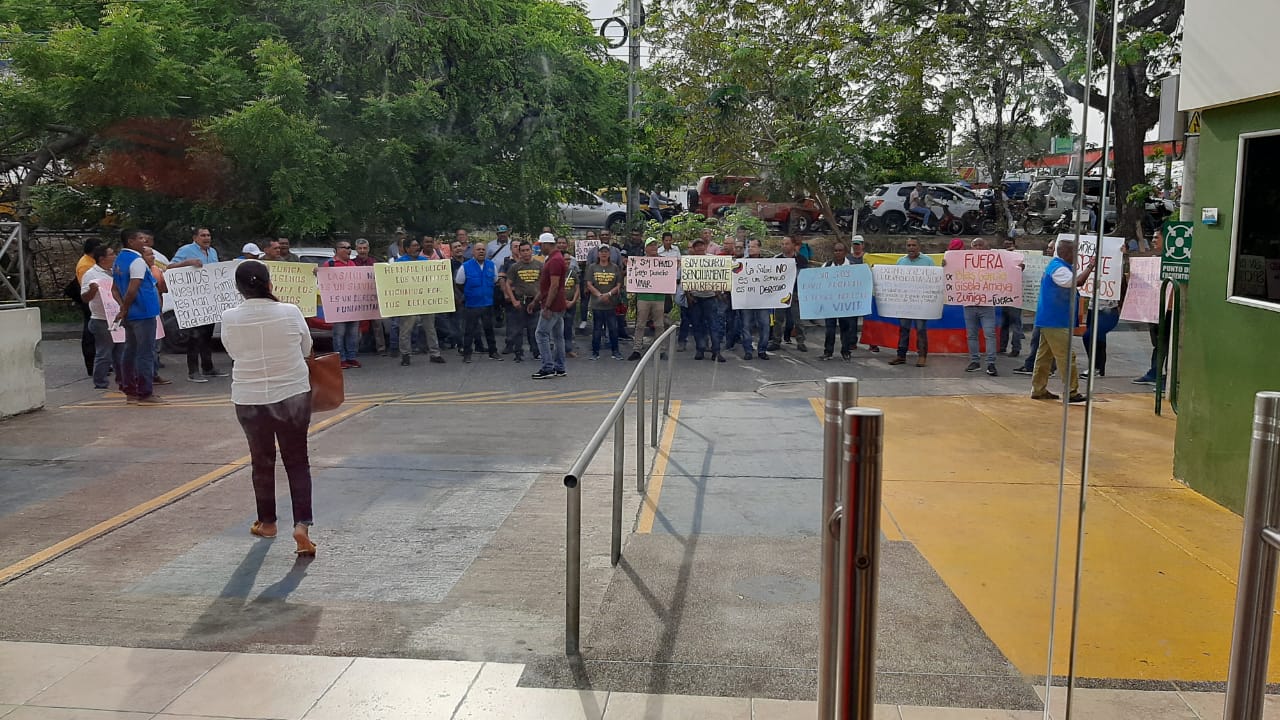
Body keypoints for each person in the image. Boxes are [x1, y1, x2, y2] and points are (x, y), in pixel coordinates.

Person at [220, 261, 316, 556]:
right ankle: (302, 525)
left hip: (249, 396)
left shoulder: (229, 317)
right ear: (269, 284)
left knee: (261, 461)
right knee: (297, 460)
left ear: (238, 289)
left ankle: (268, 522)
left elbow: (233, 352)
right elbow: (306, 347)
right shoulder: (290, 311)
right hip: (292, 393)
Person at [1030, 239, 1093, 403]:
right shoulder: (1059, 269)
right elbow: (1077, 282)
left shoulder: (1057, 266)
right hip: (1055, 320)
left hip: (1050, 318)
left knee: (1044, 356)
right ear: (1065, 253)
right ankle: (1071, 392)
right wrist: (1090, 267)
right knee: (1066, 356)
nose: (1077, 256)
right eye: (1074, 252)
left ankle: (1038, 389)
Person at [111, 229, 165, 405]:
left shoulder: (119, 260)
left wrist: (122, 307)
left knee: (130, 351)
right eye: (140, 238)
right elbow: (133, 288)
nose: (144, 241)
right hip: (143, 312)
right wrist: (125, 307)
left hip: (132, 314)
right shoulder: (137, 262)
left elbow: (114, 288)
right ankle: (145, 392)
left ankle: (130, 390)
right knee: (145, 353)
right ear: (130, 241)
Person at [171, 227, 228, 383]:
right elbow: (169, 268)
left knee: (207, 337)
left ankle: (208, 368)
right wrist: (187, 263)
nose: (206, 238)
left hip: (209, 300)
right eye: (203, 235)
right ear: (195, 237)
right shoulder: (185, 250)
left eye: (209, 235)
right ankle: (193, 371)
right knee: (194, 337)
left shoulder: (213, 252)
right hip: (193, 301)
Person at [394, 237, 447, 367]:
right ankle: (406, 355)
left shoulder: (425, 261)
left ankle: (435, 353)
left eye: (417, 245)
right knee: (406, 330)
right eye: (414, 246)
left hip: (425, 301)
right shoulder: (399, 263)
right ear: (407, 249)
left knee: (430, 328)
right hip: (408, 301)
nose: (417, 248)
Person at [81, 244, 123, 390]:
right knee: (104, 352)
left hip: (117, 317)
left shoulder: (114, 271)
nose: (115, 257)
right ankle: (100, 381)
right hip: (101, 319)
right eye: (111, 254)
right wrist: (93, 290)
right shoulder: (91, 274)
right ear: (102, 258)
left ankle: (122, 379)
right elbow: (85, 298)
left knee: (120, 351)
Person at [888, 238, 934, 367]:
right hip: (905, 303)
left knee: (920, 330)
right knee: (904, 329)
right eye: (909, 245)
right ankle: (901, 356)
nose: (911, 248)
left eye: (914, 245)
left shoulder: (928, 261)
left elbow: (935, 281)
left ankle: (922, 356)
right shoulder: (901, 261)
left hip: (921, 303)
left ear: (919, 247)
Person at [455, 241, 502, 363]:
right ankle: (467, 354)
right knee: (469, 331)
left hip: (487, 303)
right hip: (472, 304)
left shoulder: (491, 265)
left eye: (483, 250)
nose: (481, 251)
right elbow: (459, 283)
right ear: (473, 252)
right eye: (478, 249)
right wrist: (469, 294)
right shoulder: (465, 266)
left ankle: (493, 352)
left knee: (489, 330)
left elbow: (495, 280)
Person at [627, 238, 672, 361]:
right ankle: (636, 349)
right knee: (640, 325)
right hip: (643, 297)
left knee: (659, 325)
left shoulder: (665, 262)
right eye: (650, 245)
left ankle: (661, 349)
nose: (653, 247)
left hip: (659, 297)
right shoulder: (640, 262)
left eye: (655, 245)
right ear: (645, 248)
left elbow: (670, 277)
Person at [531, 232, 568, 379]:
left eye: (541, 245)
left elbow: (554, 286)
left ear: (547, 244)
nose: (540, 248)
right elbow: (547, 286)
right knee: (558, 336)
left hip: (552, 304)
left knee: (541, 334)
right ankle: (560, 367)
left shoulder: (554, 261)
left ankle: (548, 367)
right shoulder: (554, 258)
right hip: (558, 303)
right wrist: (535, 301)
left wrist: (546, 306)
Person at [960, 238, 999, 376]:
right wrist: (947, 265)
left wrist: (1016, 265)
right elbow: (953, 273)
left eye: (980, 245)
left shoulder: (993, 261)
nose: (977, 247)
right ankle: (975, 361)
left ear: (986, 246)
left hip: (987, 305)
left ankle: (991, 363)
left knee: (990, 334)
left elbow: (1006, 272)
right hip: (969, 304)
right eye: (975, 245)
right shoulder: (964, 262)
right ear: (971, 248)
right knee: (971, 335)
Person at [684, 238, 727, 362]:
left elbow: (719, 277)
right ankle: (700, 349)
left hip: (710, 298)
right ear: (694, 248)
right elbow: (685, 280)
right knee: (697, 325)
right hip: (696, 298)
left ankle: (716, 351)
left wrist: (719, 294)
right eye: (696, 246)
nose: (699, 248)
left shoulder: (712, 260)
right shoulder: (689, 261)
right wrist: (688, 296)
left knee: (714, 325)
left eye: (701, 246)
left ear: (705, 247)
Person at [501, 240, 541, 362]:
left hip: (535, 301)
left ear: (531, 251)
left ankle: (536, 352)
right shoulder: (515, 267)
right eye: (522, 250)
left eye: (527, 250)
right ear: (519, 252)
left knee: (534, 329)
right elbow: (508, 284)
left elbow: (544, 284)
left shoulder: (539, 265)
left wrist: (539, 299)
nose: (525, 253)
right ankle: (518, 353)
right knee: (517, 329)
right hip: (520, 301)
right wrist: (513, 301)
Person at [324, 241, 362, 369]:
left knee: (353, 333)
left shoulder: (352, 264)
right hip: (338, 306)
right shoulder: (330, 264)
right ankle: (341, 359)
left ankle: (351, 357)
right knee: (339, 334)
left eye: (349, 248)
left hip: (352, 304)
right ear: (337, 250)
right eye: (345, 248)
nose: (348, 250)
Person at [820, 239, 859, 361]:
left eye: (840, 250)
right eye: (835, 250)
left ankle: (846, 351)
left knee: (845, 329)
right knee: (830, 329)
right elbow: (819, 284)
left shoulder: (853, 267)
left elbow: (857, 285)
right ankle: (828, 351)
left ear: (845, 252)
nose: (837, 253)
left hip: (845, 304)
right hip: (830, 303)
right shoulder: (826, 266)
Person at [769, 235, 808, 352]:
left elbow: (806, 277)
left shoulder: (801, 259)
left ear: (793, 245)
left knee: (798, 320)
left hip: (795, 293)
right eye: (783, 244)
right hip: (780, 293)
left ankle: (801, 342)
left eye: (787, 244)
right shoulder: (777, 259)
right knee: (778, 319)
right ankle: (776, 341)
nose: (784, 246)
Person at [586, 244, 624, 360]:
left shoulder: (615, 267)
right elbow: (589, 284)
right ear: (598, 254)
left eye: (606, 251)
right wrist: (600, 295)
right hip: (597, 304)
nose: (603, 254)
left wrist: (609, 294)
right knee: (597, 329)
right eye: (601, 251)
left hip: (611, 304)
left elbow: (618, 284)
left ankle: (615, 351)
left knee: (613, 328)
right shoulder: (592, 267)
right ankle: (595, 352)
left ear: (609, 254)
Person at [73, 238, 104, 376]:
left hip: (95, 299)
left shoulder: (90, 262)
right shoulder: (85, 265)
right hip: (89, 300)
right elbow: (86, 286)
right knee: (90, 334)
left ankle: (101, 363)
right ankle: (92, 365)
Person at [738, 238, 772, 360]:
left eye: (753, 246)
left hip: (763, 301)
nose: (750, 249)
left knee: (765, 325)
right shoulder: (741, 263)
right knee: (746, 325)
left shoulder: (768, 264)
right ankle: (748, 350)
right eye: (749, 246)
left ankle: (762, 350)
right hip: (747, 301)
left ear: (759, 248)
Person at [998, 236, 1025, 357]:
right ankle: (1002, 346)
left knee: (1015, 324)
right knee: (1004, 323)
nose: (1007, 246)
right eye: (1005, 244)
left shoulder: (1020, 258)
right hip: (1003, 295)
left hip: (1015, 297)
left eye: (1009, 244)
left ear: (1014, 245)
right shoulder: (1000, 258)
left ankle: (1016, 348)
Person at [557, 236, 580, 357]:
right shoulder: (556, 272)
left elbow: (577, 288)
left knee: (568, 327)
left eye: (568, 260)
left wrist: (573, 301)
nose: (566, 262)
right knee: (558, 328)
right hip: (559, 304)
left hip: (571, 304)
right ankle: (559, 349)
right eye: (564, 260)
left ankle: (568, 349)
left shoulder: (573, 272)